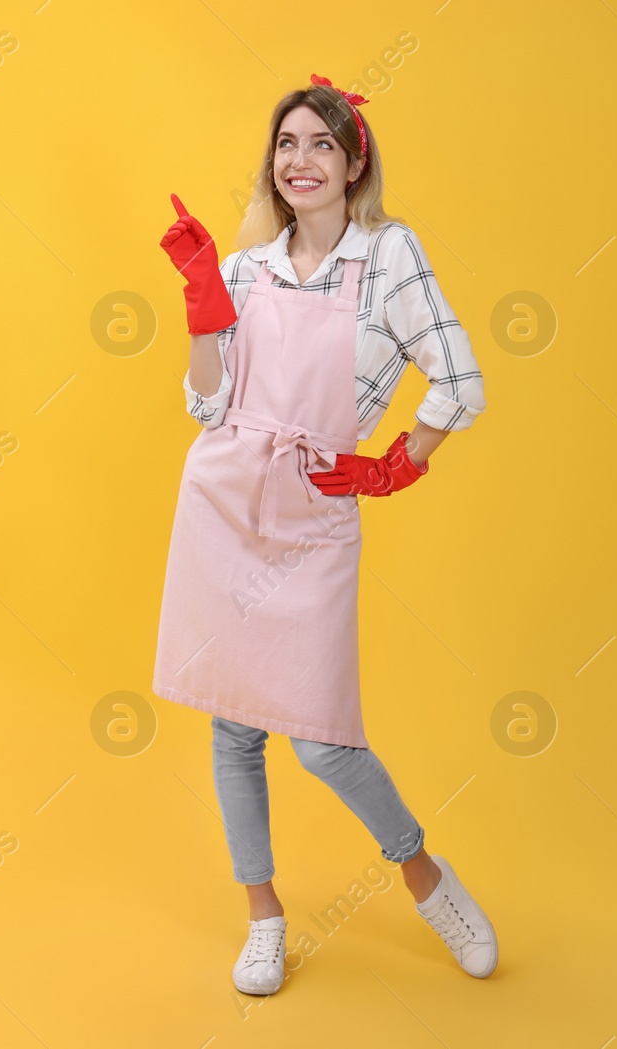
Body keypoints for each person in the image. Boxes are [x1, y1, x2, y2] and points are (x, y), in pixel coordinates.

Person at [153, 74, 495, 997]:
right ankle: (263, 918)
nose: (299, 161)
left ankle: (426, 877)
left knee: (323, 739)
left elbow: (459, 380)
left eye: (319, 146)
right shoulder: (245, 268)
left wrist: (395, 466)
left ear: (354, 163)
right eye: (287, 145)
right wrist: (199, 302)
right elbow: (206, 405)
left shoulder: (390, 257)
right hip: (227, 502)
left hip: (311, 514)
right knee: (234, 728)